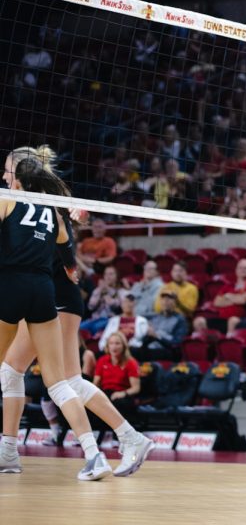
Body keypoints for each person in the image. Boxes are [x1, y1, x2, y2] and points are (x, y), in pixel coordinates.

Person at [0, 147, 153, 478]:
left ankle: (122, 440)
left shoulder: (40, 201)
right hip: (49, 291)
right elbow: (66, 250)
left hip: (51, 294)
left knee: (62, 380)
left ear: (23, 172)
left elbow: (67, 255)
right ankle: (9, 451)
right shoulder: (52, 202)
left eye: (8, 169)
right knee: (24, 373)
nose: (3, 176)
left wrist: (69, 253)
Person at [93, 331, 141, 420]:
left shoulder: (131, 363)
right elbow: (96, 383)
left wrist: (123, 393)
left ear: (123, 346)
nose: (114, 347)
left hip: (123, 393)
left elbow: (136, 388)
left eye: (117, 343)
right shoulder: (102, 360)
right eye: (111, 343)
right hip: (106, 392)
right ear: (107, 346)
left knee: (119, 403)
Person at [212, 258, 246, 334]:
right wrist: (236, 299)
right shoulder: (228, 286)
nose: (243, 270)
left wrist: (228, 296)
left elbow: (243, 301)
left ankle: (229, 342)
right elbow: (217, 302)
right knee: (199, 321)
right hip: (223, 319)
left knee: (232, 320)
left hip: (242, 319)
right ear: (236, 270)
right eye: (240, 268)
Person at [137, 290, 189, 360]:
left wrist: (157, 336)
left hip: (168, 351)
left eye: (169, 299)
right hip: (151, 349)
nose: (165, 302)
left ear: (175, 303)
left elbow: (176, 344)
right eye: (163, 299)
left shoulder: (180, 320)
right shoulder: (155, 317)